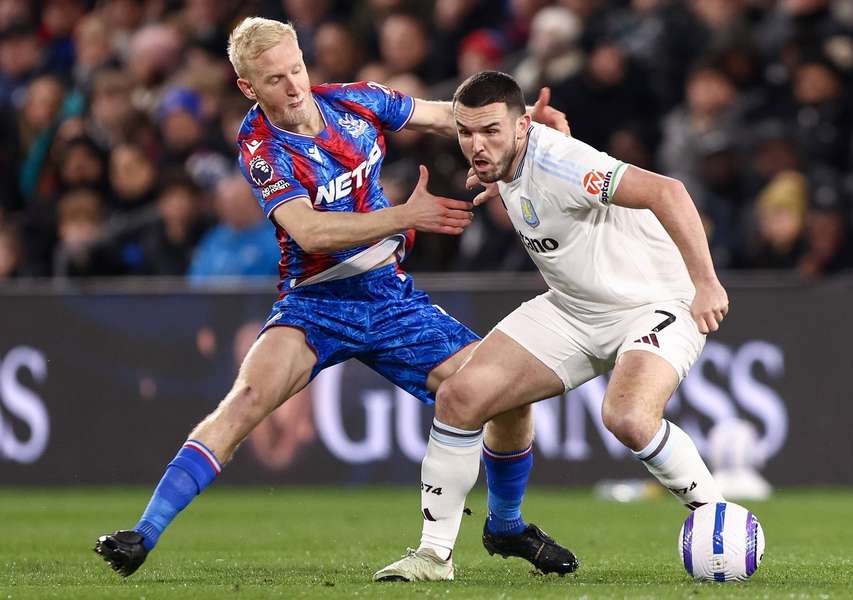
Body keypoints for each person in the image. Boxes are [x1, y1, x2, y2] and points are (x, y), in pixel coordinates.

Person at [94, 18, 575, 580]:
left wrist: (519, 126)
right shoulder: (261, 148)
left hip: (391, 298)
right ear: (249, 87)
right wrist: (404, 215)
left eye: (296, 69)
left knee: (509, 396)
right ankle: (143, 533)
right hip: (315, 302)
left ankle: (507, 525)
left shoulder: (355, 102)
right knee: (245, 399)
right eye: (275, 80)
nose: (294, 87)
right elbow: (310, 232)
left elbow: (447, 116)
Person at [377, 71, 729, 579]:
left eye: (491, 131)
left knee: (628, 419)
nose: (477, 145)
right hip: (573, 307)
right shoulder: (508, 154)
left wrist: (707, 284)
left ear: (521, 127)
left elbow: (668, 191)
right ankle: (434, 556)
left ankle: (718, 520)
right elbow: (519, 162)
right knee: (461, 395)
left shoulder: (562, 162)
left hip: (654, 302)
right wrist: (505, 162)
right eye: (466, 132)